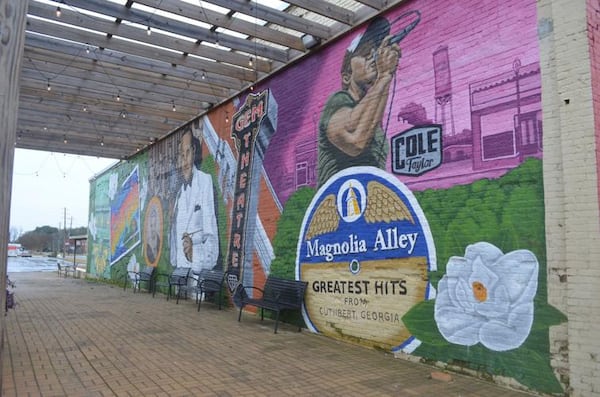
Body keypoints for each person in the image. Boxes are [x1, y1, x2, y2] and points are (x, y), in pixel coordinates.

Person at [317, 16, 401, 187]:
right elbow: (355, 142)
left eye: (374, 52)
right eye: (364, 54)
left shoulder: (368, 113)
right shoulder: (338, 100)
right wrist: (384, 76)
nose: (373, 58)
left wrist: (387, 75)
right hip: (335, 207)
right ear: (347, 76)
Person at [169, 125, 218, 276]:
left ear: (194, 152)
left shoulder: (205, 181)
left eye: (188, 153)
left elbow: (212, 240)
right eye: (181, 155)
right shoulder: (178, 195)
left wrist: (194, 254)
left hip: (199, 275)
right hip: (180, 273)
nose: (185, 161)